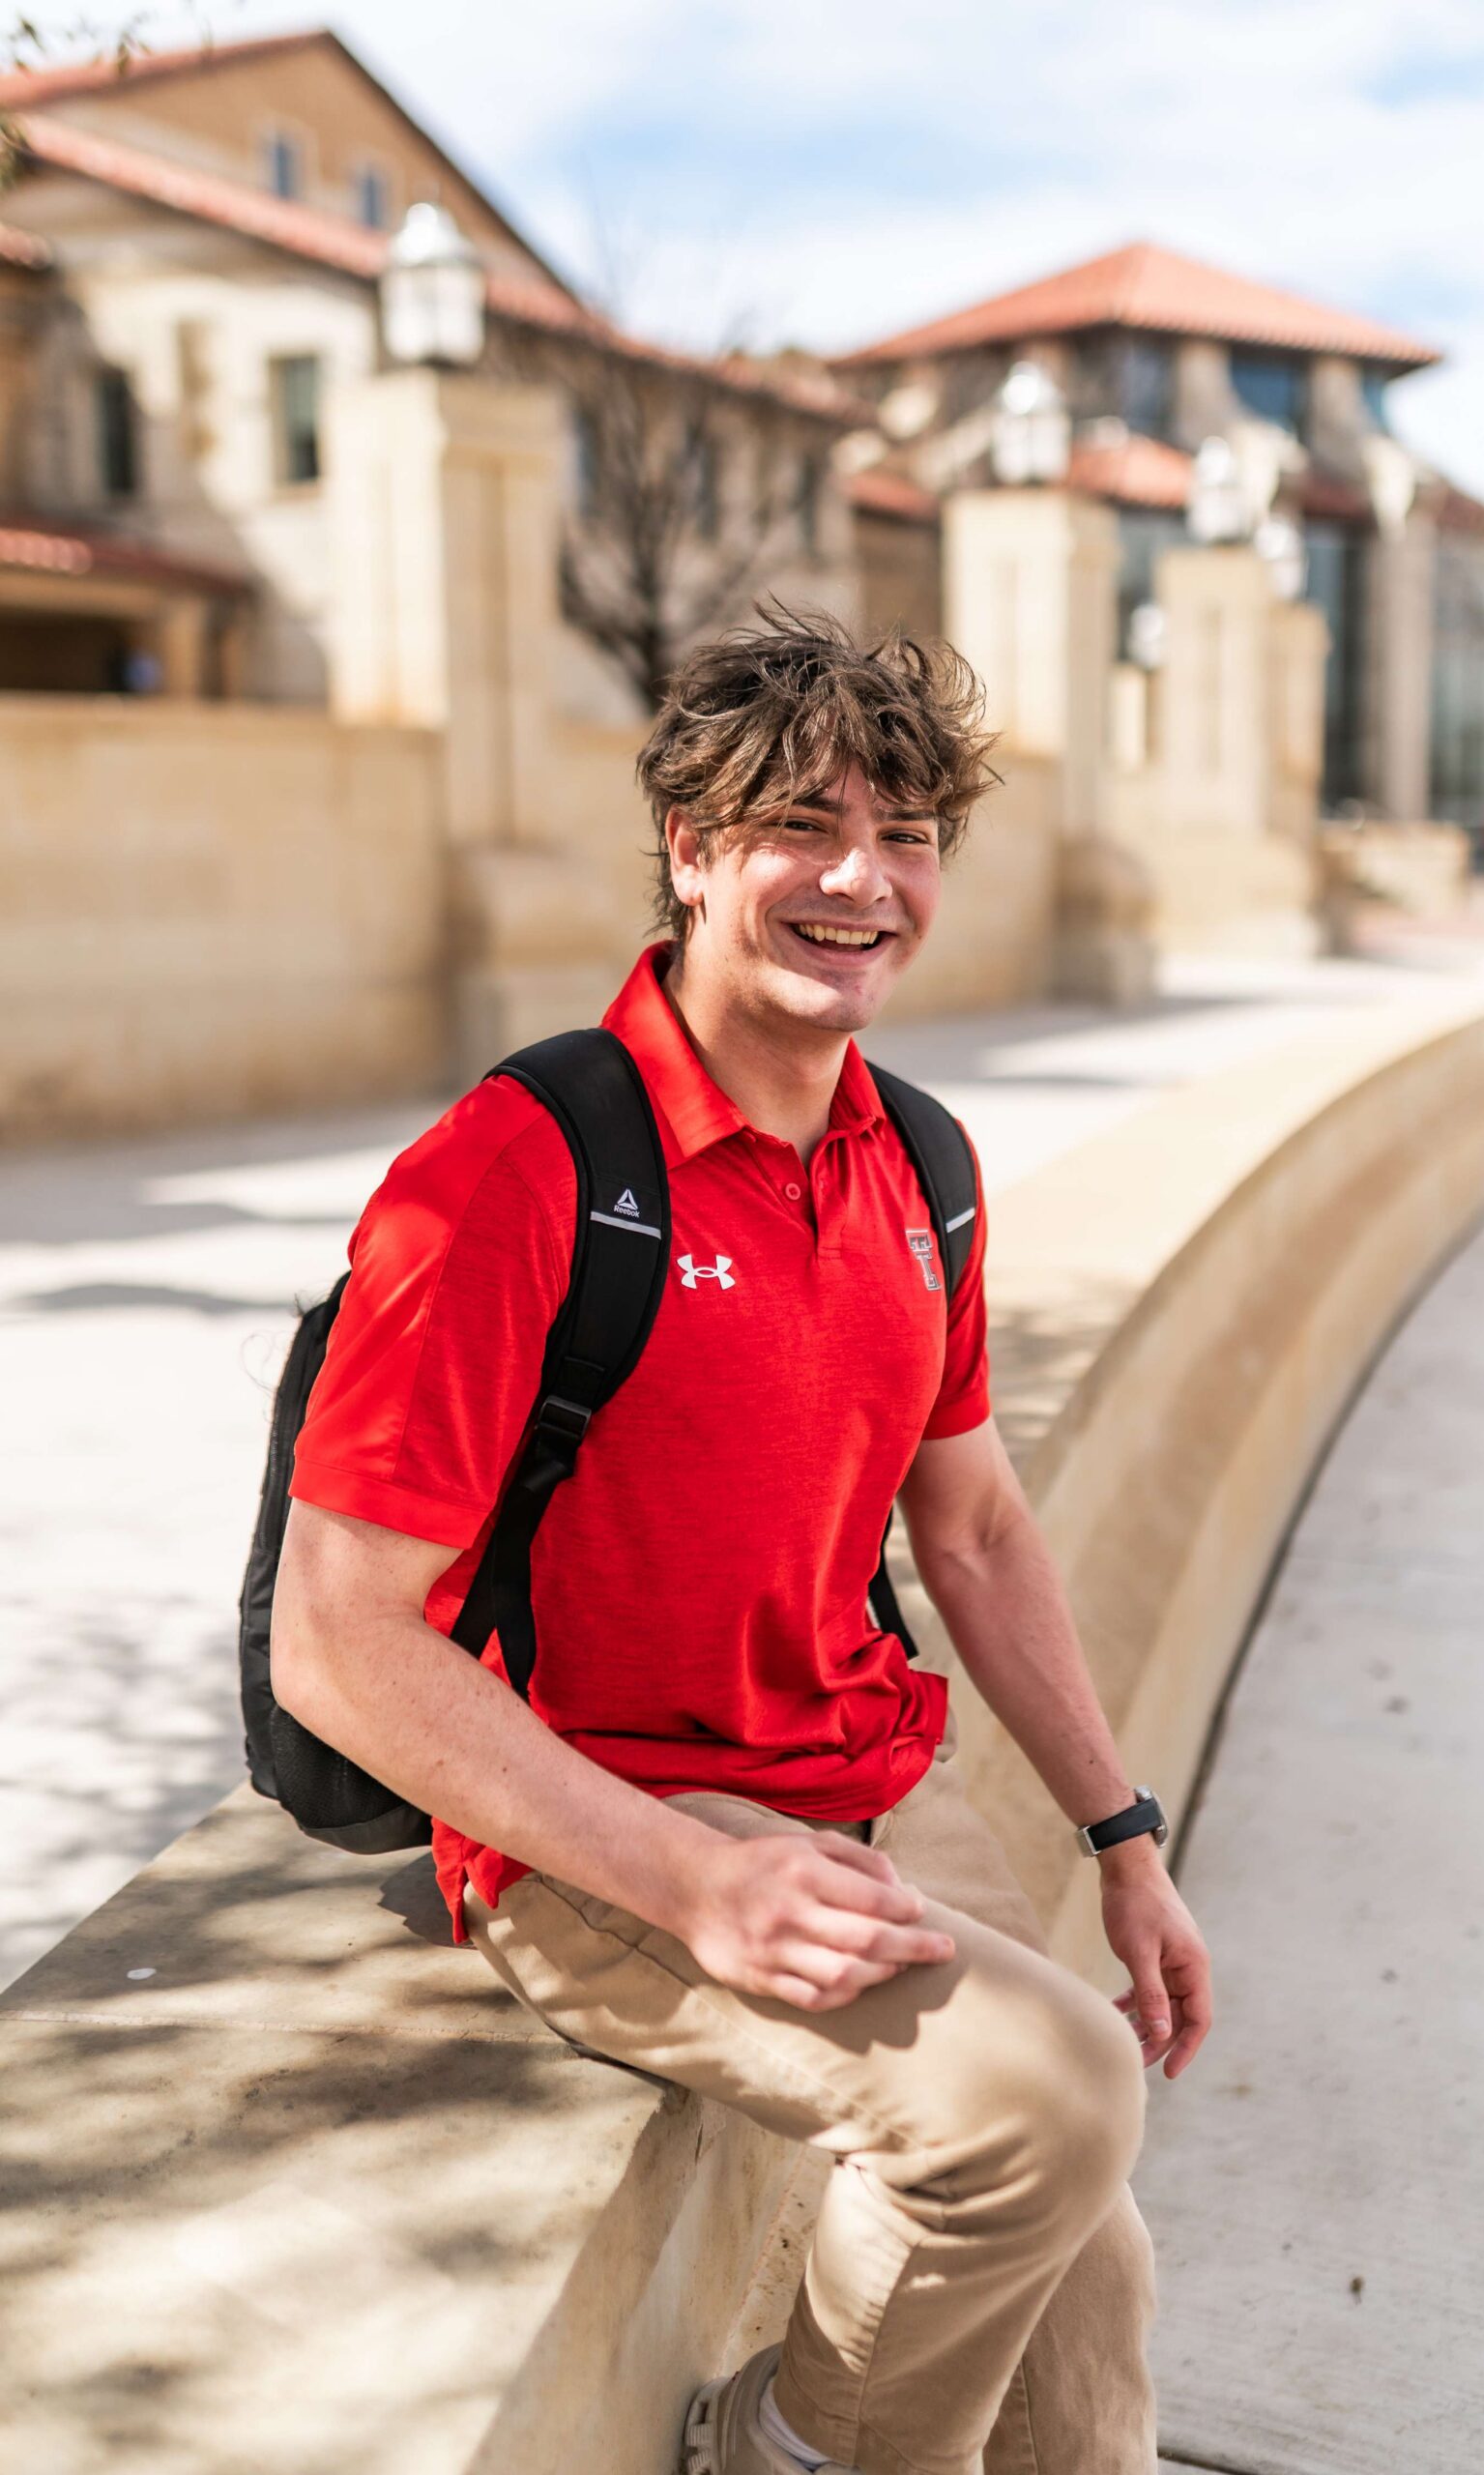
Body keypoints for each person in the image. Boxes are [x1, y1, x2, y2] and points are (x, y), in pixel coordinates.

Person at [271, 609, 1212, 2475]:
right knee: (1034, 2111)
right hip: (599, 1821)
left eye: (911, 833)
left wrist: (1122, 1838)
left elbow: (980, 1522)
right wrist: (697, 1884)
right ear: (692, 852)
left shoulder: (918, 1164)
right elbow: (340, 1637)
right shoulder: (518, 1170)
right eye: (804, 825)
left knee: (1090, 2281)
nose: (865, 880)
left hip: (853, 1772)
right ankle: (777, 2451)